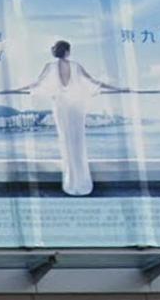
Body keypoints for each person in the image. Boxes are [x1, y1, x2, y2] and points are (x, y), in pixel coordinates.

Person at [18, 40, 123, 196]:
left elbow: (36, 84)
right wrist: (118, 88)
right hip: (76, 106)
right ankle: (82, 182)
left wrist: (17, 89)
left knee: (65, 142)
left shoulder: (49, 66)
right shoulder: (76, 66)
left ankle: (70, 182)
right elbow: (94, 82)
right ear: (67, 51)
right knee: (78, 142)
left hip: (61, 106)